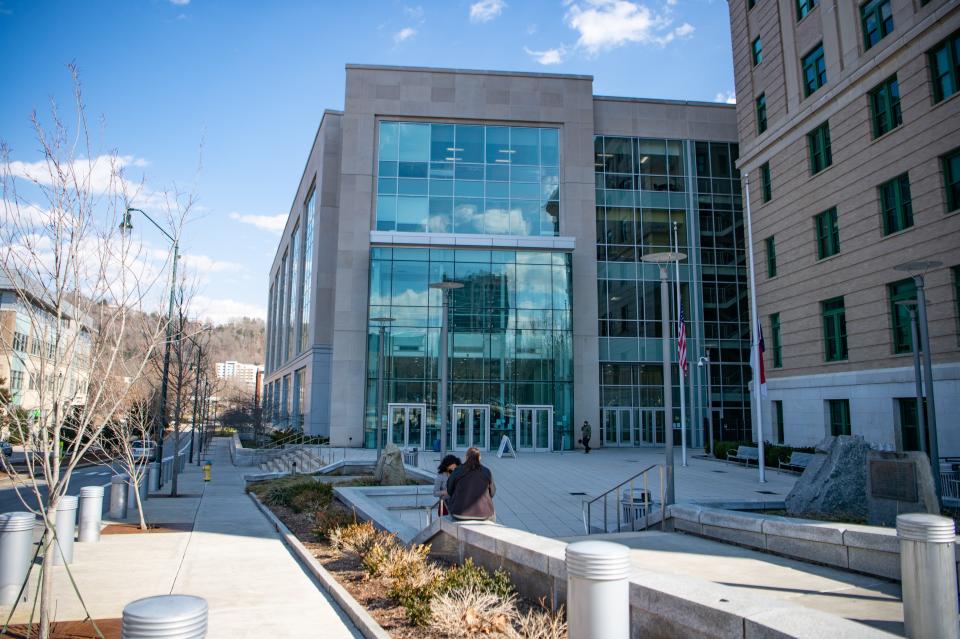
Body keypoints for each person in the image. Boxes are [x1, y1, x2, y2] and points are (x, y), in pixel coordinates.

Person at [446, 447, 496, 521]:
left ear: (466, 457)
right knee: (493, 514)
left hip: (459, 513)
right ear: (479, 458)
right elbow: (492, 493)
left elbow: (449, 490)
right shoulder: (486, 471)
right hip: (483, 514)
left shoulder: (457, 470)